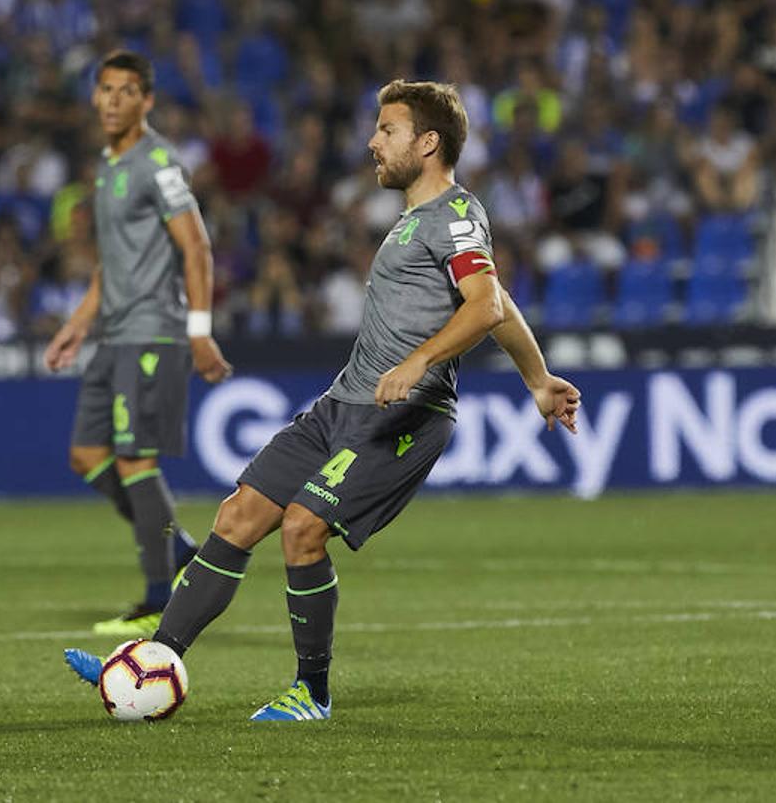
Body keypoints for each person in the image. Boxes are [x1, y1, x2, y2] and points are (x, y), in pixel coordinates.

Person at [63, 80, 581, 720]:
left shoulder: (453, 215)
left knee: (304, 530)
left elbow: (484, 304)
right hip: (345, 404)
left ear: (428, 142)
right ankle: (152, 660)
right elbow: (495, 302)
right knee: (237, 516)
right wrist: (536, 379)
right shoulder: (419, 221)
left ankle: (313, 691)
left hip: (404, 415)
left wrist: (421, 360)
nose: (372, 142)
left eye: (387, 130)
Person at [44, 49, 233, 637]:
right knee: (87, 456)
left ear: (147, 100)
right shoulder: (109, 167)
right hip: (114, 333)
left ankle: (157, 596)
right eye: (106, 89)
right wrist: (78, 322)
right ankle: (176, 549)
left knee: (134, 459)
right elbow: (114, 265)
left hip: (154, 331)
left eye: (128, 91)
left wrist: (199, 332)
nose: (114, 100)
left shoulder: (157, 163)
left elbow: (196, 246)